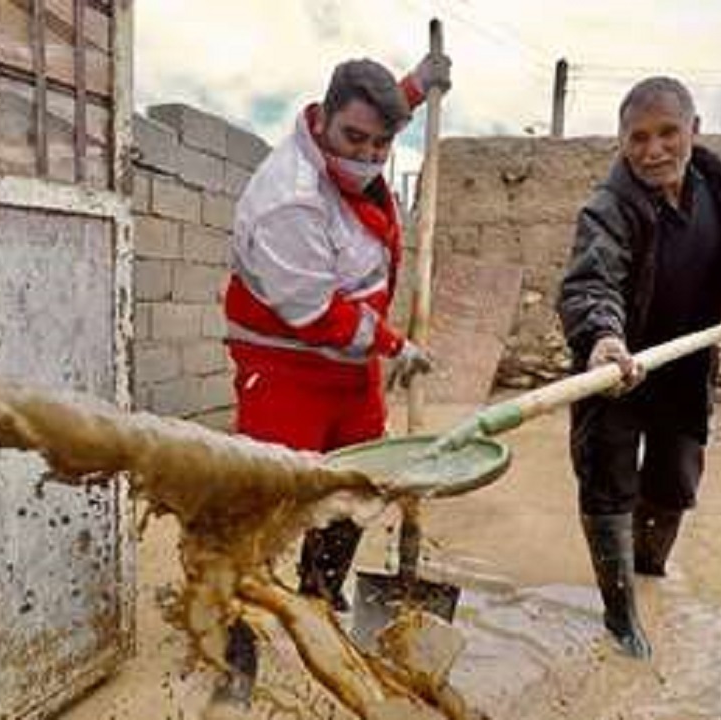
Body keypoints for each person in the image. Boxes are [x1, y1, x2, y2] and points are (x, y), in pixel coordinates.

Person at [217, 53, 450, 701]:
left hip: (348, 368)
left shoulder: (358, 133)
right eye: (355, 140)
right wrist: (394, 343)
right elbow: (315, 313)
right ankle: (238, 641)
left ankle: (318, 598)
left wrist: (417, 86)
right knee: (267, 498)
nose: (370, 156)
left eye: (383, 143)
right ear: (321, 122)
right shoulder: (287, 198)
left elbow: (376, 109)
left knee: (357, 481)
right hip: (285, 362)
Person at [556, 76, 721, 659]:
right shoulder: (609, 206)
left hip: (686, 361)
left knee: (675, 477)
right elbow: (593, 278)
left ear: (694, 129)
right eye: (638, 138)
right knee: (608, 481)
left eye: (668, 132)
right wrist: (602, 338)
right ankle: (621, 616)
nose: (653, 150)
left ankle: (649, 571)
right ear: (622, 143)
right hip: (618, 366)